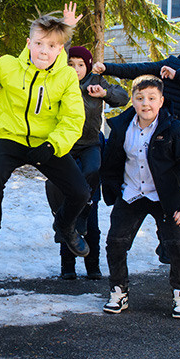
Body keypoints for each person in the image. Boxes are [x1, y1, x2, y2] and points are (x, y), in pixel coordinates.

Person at [0, 4, 90, 259]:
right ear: (29, 43)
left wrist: (53, 145)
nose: (44, 51)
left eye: (51, 46)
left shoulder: (66, 77)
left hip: (46, 142)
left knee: (80, 192)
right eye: (39, 43)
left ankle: (66, 226)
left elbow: (73, 118)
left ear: (60, 49)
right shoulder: (8, 66)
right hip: (10, 137)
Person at [99, 76, 180, 319]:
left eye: (152, 98)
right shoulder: (122, 128)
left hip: (165, 198)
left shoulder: (174, 128)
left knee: (177, 246)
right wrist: (114, 193)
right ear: (133, 101)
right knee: (116, 243)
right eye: (140, 98)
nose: (146, 103)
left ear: (161, 101)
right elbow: (110, 163)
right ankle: (118, 292)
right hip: (132, 193)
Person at [45, 46, 128, 280]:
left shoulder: (96, 81)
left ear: (88, 66)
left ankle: (93, 266)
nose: (75, 69)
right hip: (65, 146)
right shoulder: (58, 82)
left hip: (90, 145)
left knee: (90, 207)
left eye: (80, 65)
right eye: (70, 64)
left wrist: (104, 93)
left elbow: (123, 97)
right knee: (64, 202)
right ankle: (67, 267)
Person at [94, 26, 180, 147]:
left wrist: (177, 75)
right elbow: (140, 69)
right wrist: (107, 68)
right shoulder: (171, 65)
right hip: (168, 130)